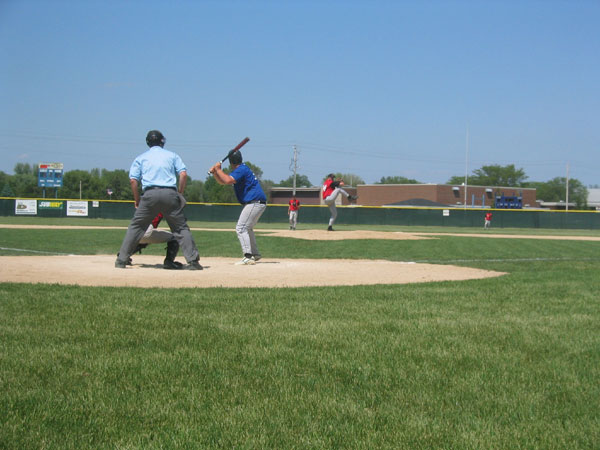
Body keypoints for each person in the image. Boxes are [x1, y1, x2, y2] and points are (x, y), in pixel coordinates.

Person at [115, 130, 202, 270]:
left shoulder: (141, 158)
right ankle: (193, 262)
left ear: (148, 142)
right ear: (162, 141)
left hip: (149, 194)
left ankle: (122, 260)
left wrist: (137, 200)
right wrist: (179, 193)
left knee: (136, 227)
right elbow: (183, 174)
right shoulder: (172, 155)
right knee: (180, 228)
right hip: (170, 194)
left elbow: (133, 181)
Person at [210, 151, 266, 265]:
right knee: (247, 228)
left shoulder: (241, 169)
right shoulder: (241, 169)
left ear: (231, 161)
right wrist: (216, 173)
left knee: (241, 228)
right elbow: (223, 182)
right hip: (257, 202)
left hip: (254, 202)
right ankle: (254, 254)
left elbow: (227, 180)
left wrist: (218, 169)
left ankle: (248, 256)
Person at [118, 213, 182, 269]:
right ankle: (169, 262)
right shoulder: (163, 205)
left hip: (133, 232)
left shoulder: (144, 205)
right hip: (146, 231)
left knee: (144, 239)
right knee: (175, 237)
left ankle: (123, 255)